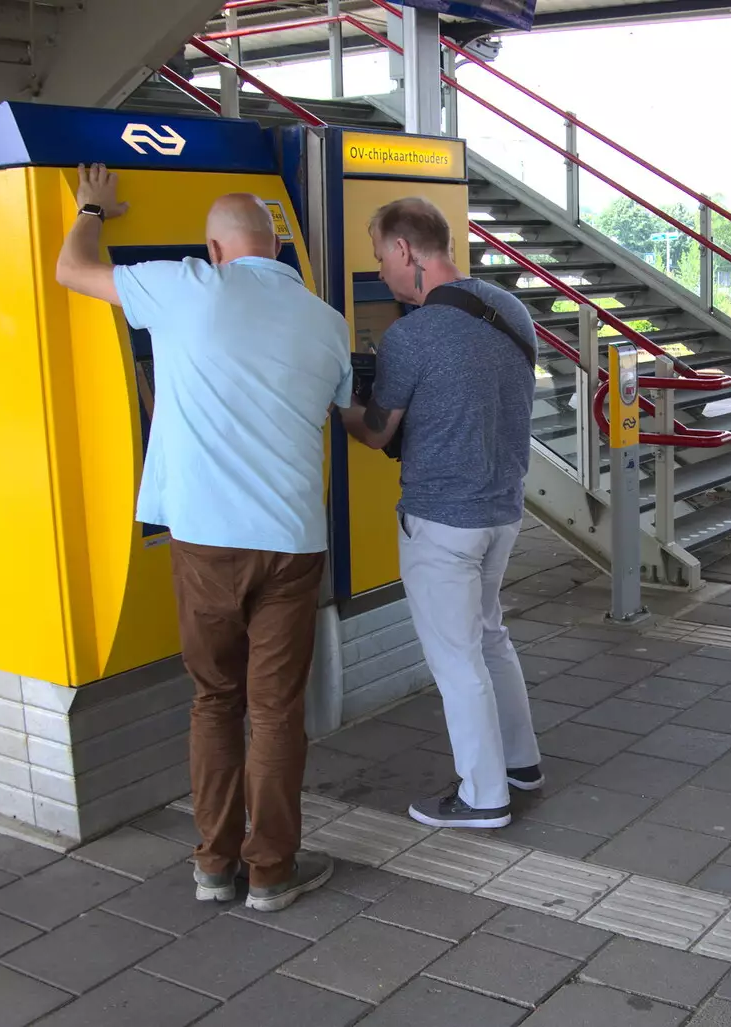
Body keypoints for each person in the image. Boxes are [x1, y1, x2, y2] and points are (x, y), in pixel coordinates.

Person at [55, 164, 351, 913]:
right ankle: (272, 871)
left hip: (206, 539)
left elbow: (72, 269)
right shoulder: (326, 318)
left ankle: (214, 865)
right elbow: (336, 409)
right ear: (277, 247)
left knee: (214, 700)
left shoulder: (187, 286)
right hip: (291, 539)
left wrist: (92, 207)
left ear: (215, 249)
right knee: (276, 711)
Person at [341, 196, 542, 831]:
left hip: (441, 521)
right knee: (489, 635)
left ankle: (483, 798)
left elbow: (378, 431)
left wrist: (333, 406)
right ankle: (521, 762)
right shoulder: (509, 309)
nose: (383, 275)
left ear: (405, 250)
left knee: (457, 660)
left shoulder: (410, 335)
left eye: (381, 259)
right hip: (502, 510)